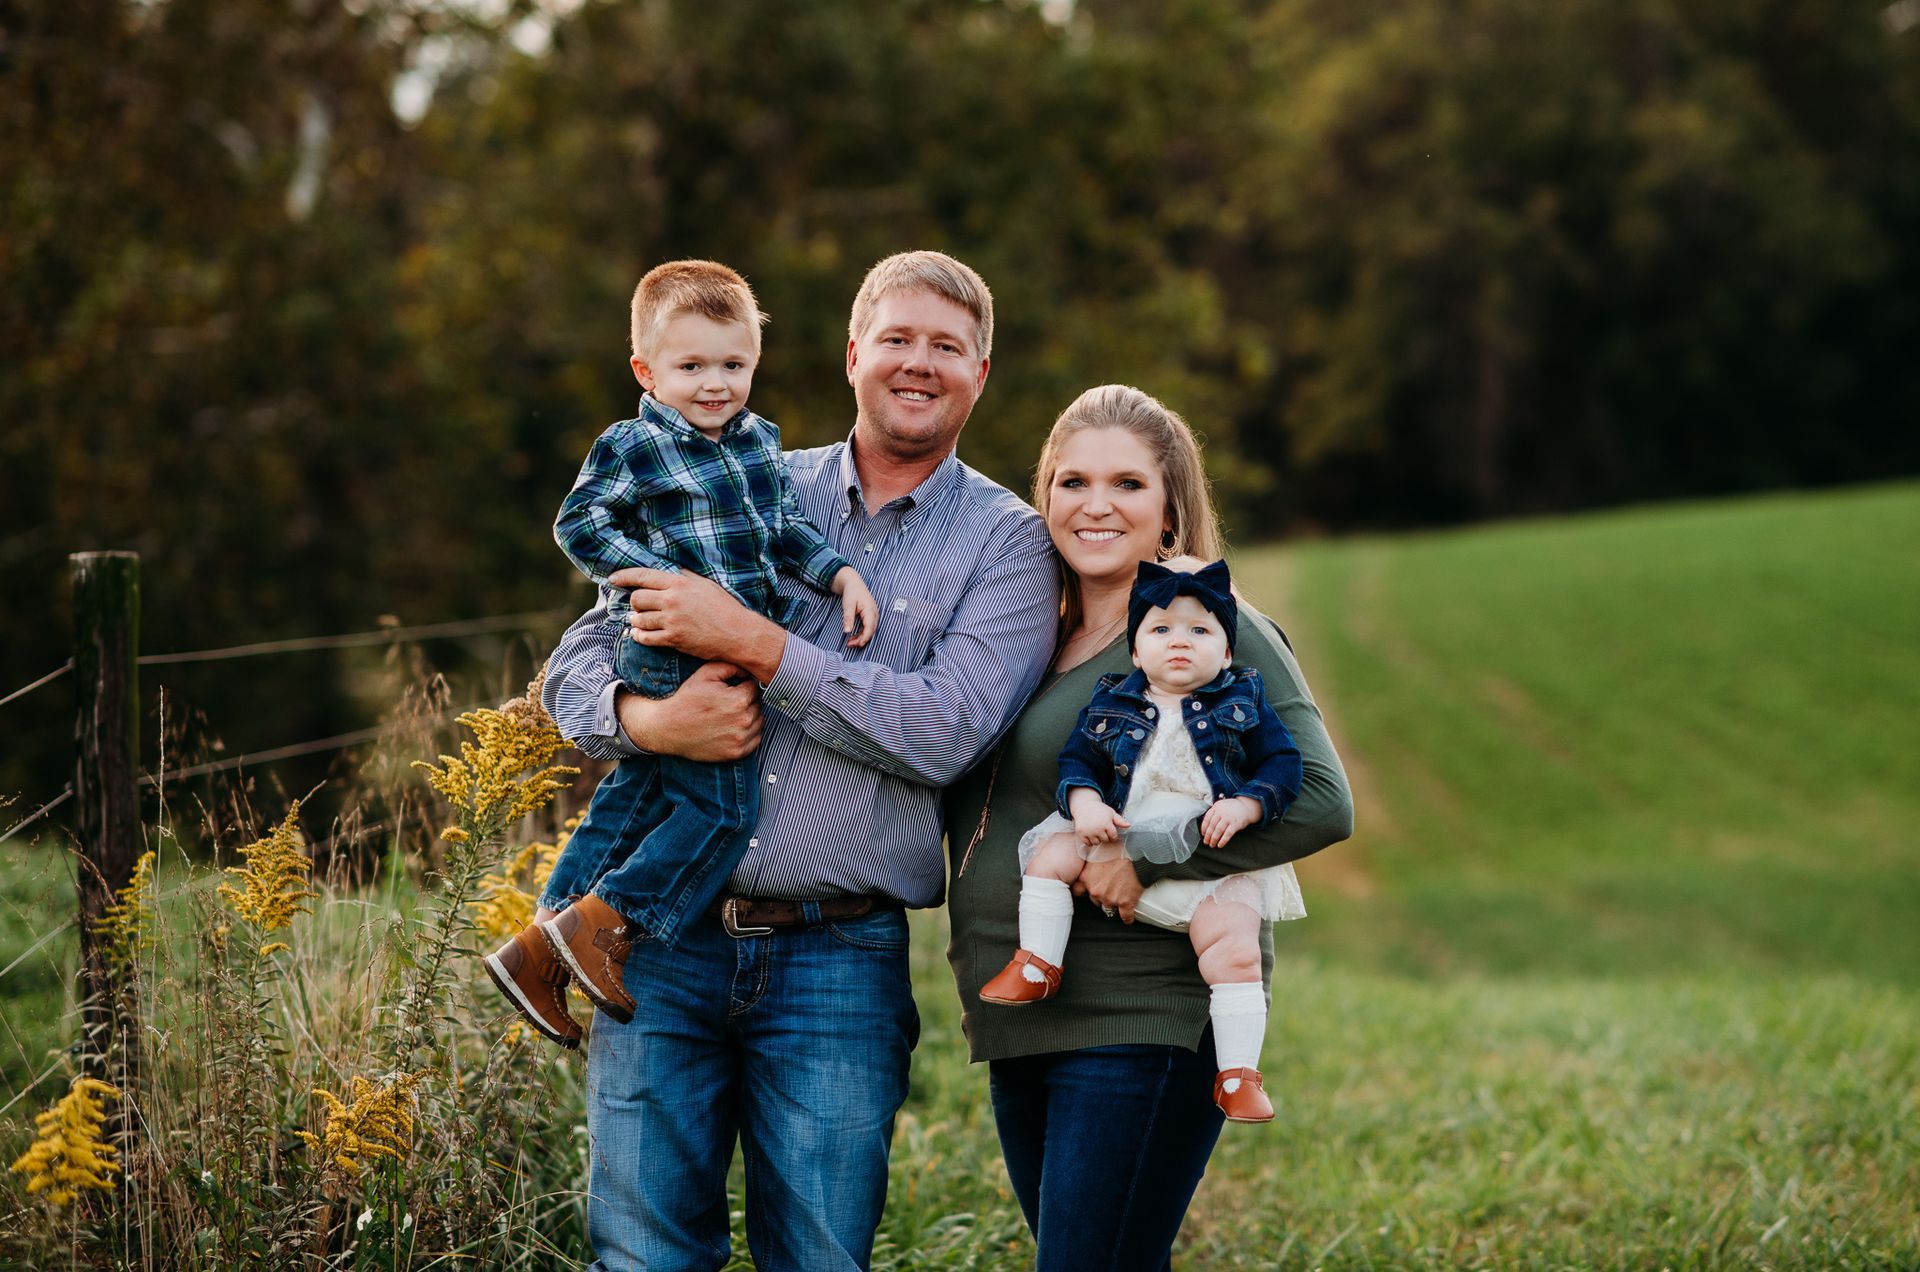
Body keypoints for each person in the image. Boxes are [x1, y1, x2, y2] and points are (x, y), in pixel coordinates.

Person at [537, 251, 1059, 1271]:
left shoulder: (1009, 544)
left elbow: (949, 728)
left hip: (840, 961)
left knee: (819, 1258)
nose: (918, 363)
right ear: (852, 352)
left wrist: (754, 642)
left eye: (946, 347)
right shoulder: (735, 470)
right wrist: (649, 722)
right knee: (642, 1256)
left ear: (980, 373)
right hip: (659, 937)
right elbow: (574, 665)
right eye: (896, 339)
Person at [946, 383, 1354, 1271]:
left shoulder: (1207, 630)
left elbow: (1323, 798)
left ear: (1170, 508)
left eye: (1127, 484)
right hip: (1026, 1011)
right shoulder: (1031, 631)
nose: (1095, 506)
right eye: (1072, 481)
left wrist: (1152, 858)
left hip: (1145, 1009)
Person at [483, 259, 877, 1046]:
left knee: (633, 799)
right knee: (724, 811)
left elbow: (782, 533)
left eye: (732, 365)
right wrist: (657, 582)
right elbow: (580, 525)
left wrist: (838, 572)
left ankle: (544, 942)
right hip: (668, 646)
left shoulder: (758, 443)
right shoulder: (635, 444)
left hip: (726, 645)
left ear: (755, 363)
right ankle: (612, 924)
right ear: (646, 370)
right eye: (691, 366)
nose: (714, 384)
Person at [977, 557, 1307, 1124]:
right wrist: (1084, 805)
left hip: (1206, 860)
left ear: (1227, 652)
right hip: (1120, 831)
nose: (1179, 643)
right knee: (1050, 855)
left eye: (1200, 631)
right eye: (1160, 630)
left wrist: (1248, 802)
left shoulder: (1245, 700)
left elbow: (1284, 763)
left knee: (1235, 951)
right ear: (1136, 651)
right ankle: (1038, 962)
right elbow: (1077, 760)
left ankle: (1238, 1073)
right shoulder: (1113, 700)